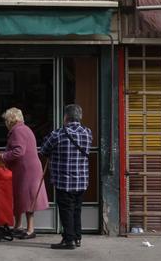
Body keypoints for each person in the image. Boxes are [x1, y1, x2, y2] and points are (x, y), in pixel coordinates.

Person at [0, 108, 49, 239]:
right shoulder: (24, 129)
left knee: (27, 200)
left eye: (6, 120)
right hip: (26, 169)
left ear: (10, 120)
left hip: (27, 171)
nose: (5, 123)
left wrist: (2, 157)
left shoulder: (18, 131)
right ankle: (18, 226)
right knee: (21, 199)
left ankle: (30, 230)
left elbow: (19, 151)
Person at [39, 104, 92, 251]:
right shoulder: (87, 133)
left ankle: (69, 240)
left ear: (65, 117)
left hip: (64, 180)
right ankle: (77, 237)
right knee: (77, 210)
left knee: (66, 210)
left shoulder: (58, 134)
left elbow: (43, 150)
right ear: (79, 117)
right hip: (81, 180)